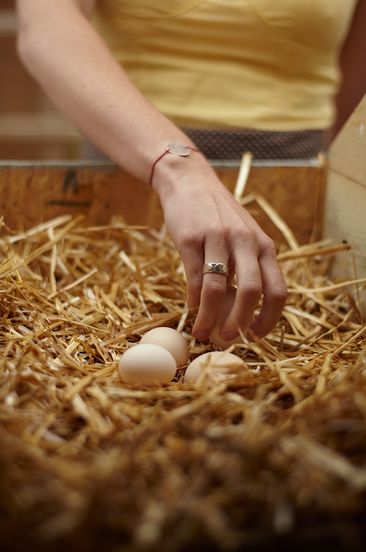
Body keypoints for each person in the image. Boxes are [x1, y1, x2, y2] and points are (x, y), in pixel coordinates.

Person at [16, 1, 366, 344]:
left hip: (292, 195)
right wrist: (178, 170)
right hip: (130, 178)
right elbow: (47, 25)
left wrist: (336, 183)